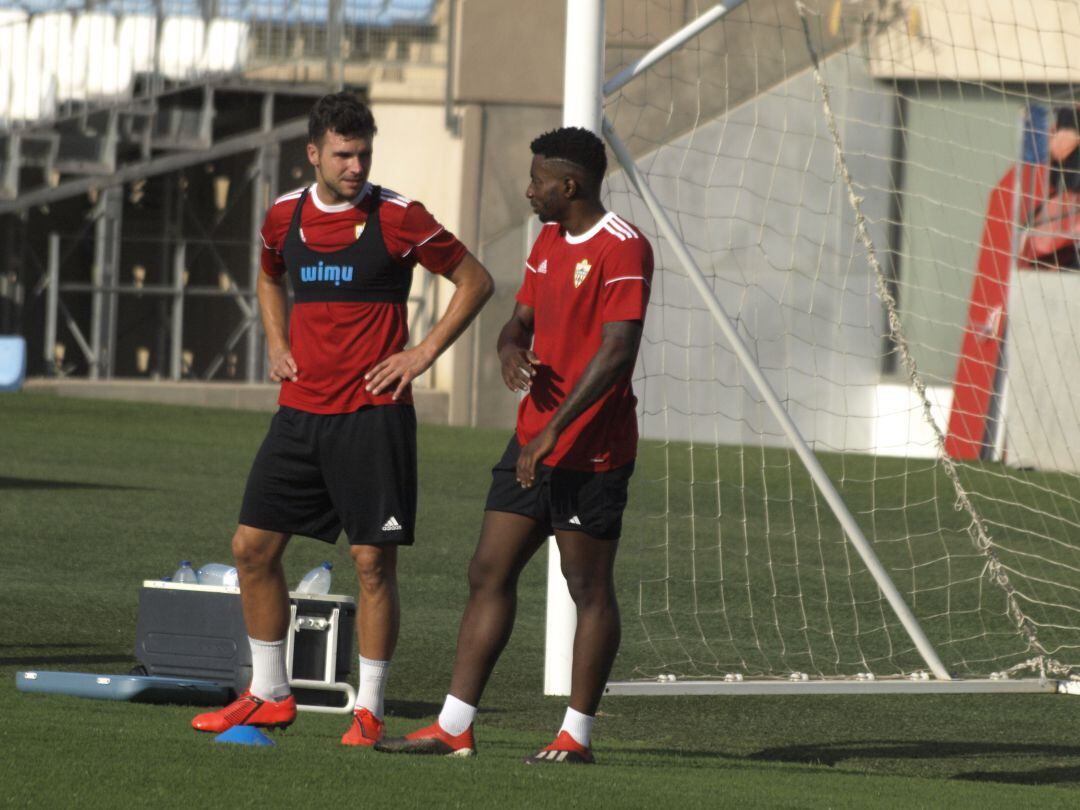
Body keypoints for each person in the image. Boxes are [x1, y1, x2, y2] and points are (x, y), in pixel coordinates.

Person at [191, 92, 494, 745]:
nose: (355, 166)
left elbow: (475, 281)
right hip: (300, 414)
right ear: (314, 154)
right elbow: (270, 274)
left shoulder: (399, 217)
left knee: (371, 562)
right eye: (343, 154)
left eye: (363, 154)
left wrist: (422, 353)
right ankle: (269, 693)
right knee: (252, 549)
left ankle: (370, 708)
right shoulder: (283, 216)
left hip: (372, 416)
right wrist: (276, 342)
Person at [375, 126, 653, 764]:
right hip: (531, 442)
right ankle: (453, 725)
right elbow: (519, 319)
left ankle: (575, 735)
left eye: (536, 182)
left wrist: (556, 430)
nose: (529, 191)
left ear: (569, 184)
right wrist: (507, 349)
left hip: (592, 452)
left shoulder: (623, 248)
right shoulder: (547, 240)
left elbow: (617, 350)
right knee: (487, 572)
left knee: (588, 587)